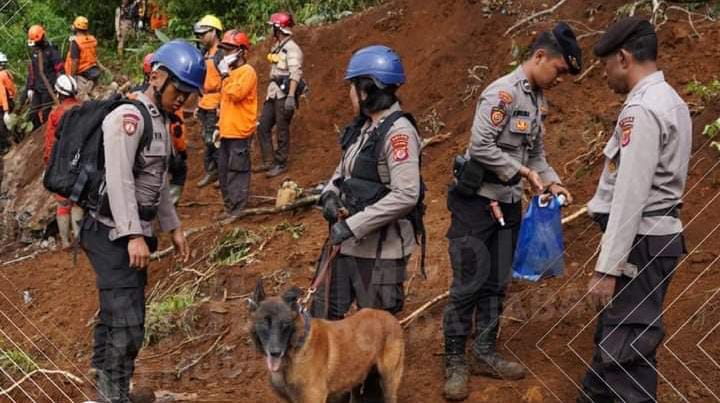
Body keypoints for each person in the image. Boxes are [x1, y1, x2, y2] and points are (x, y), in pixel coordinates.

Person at [441, 23, 580, 401]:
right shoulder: (502, 93)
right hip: (475, 203)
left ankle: (484, 352)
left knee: (496, 283)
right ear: (539, 57)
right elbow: (480, 144)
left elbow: (535, 153)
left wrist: (551, 181)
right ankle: (454, 359)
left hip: (508, 204)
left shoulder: (536, 101)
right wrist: (522, 173)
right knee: (468, 283)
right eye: (559, 70)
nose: (560, 79)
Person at [80, 40, 201, 402]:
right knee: (126, 323)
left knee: (120, 315)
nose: (182, 99)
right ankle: (113, 395)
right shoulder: (128, 118)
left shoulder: (159, 120)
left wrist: (173, 226)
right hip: (109, 232)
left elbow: (157, 181)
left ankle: (107, 391)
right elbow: (119, 179)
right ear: (157, 76)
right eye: (179, 90)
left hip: (131, 231)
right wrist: (132, 234)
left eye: (188, 94)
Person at [579, 17, 690, 403]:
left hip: (640, 244)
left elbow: (630, 194)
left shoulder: (641, 110)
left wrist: (608, 267)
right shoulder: (671, 100)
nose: (605, 75)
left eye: (606, 65)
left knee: (627, 348)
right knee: (617, 334)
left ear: (624, 58)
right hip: (651, 239)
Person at [314, 45, 421, 403]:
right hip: (345, 247)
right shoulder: (362, 129)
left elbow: (407, 194)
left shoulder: (398, 133)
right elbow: (341, 173)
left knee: (372, 340)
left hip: (379, 253)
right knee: (330, 324)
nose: (349, 94)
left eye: (353, 86)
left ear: (369, 87)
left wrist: (354, 224)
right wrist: (329, 195)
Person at [134, 53, 188, 205]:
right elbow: (177, 128)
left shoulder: (136, 94)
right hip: (167, 146)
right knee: (177, 173)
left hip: (145, 150)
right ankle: (169, 205)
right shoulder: (168, 97)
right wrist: (181, 150)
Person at [215, 30, 257, 218]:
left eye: (230, 49)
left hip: (240, 132)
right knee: (224, 172)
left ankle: (237, 210)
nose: (226, 54)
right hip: (227, 131)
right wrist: (218, 126)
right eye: (224, 49)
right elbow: (225, 104)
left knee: (237, 171)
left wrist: (225, 75)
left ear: (241, 52)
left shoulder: (247, 72)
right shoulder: (230, 74)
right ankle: (229, 207)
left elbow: (236, 94)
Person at [257, 11, 304, 178]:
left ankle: (281, 162)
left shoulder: (292, 49)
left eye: (273, 27)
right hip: (273, 93)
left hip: (284, 94)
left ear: (279, 28)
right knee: (263, 126)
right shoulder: (277, 46)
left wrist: (291, 96)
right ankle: (269, 160)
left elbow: (295, 73)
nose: (271, 31)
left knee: (282, 130)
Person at [43, 75, 83, 249]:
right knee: (78, 201)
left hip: (61, 163)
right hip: (81, 161)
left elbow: (50, 143)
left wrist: (49, 164)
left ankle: (65, 241)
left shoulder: (55, 113)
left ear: (59, 93)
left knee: (62, 202)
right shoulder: (83, 108)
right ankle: (80, 239)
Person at [193, 14, 224, 188]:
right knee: (207, 139)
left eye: (204, 34)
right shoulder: (204, 53)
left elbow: (226, 81)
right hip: (205, 102)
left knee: (215, 140)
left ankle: (220, 172)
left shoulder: (220, 54)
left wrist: (221, 105)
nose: (201, 37)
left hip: (215, 102)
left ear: (214, 32)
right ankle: (211, 171)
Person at [27, 24, 63, 128]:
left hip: (48, 88)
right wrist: (30, 87)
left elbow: (59, 69)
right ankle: (38, 134)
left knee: (46, 113)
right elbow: (32, 72)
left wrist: (59, 88)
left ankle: (48, 132)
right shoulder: (35, 52)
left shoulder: (51, 51)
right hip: (38, 88)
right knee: (32, 114)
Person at [65, 16, 101, 101]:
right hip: (93, 69)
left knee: (80, 96)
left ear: (76, 28)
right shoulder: (92, 39)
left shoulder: (76, 42)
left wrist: (72, 77)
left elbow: (75, 61)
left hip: (82, 72)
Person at [0, 52, 16, 153]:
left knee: (3, 126)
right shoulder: (5, 74)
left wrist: (6, 110)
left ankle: (10, 145)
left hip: (4, 105)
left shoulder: (3, 75)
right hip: (5, 104)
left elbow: (4, 93)